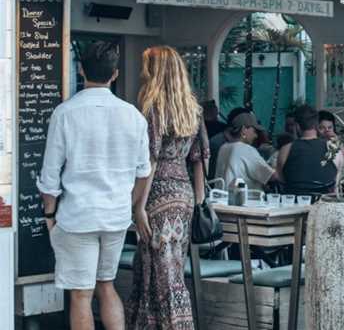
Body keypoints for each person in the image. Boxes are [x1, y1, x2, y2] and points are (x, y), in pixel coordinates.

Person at [38, 42, 150, 330]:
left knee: (81, 293)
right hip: (115, 218)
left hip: (78, 217)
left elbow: (50, 177)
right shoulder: (133, 116)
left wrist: (49, 216)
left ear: (80, 69)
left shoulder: (65, 113)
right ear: (114, 74)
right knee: (107, 285)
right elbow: (143, 172)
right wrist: (131, 205)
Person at [126, 45, 208, 330]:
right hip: (183, 195)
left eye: (146, 66)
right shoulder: (192, 109)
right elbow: (198, 159)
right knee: (169, 268)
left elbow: (150, 160)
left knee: (159, 273)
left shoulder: (153, 109)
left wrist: (138, 206)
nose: (142, 72)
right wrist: (198, 201)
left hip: (158, 194)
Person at [277, 105, 341, 194]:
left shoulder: (285, 150)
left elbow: (281, 181)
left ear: (297, 126)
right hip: (324, 204)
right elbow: (336, 185)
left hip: (294, 205)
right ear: (316, 125)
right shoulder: (334, 149)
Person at [215, 113, 278, 191]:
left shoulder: (224, 147)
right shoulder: (246, 149)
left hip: (222, 198)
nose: (256, 136)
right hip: (242, 200)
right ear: (244, 129)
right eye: (254, 131)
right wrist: (276, 160)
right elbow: (272, 176)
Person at [207, 106, 253, 180]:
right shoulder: (220, 145)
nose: (255, 135)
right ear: (243, 129)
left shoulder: (220, 141)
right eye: (252, 130)